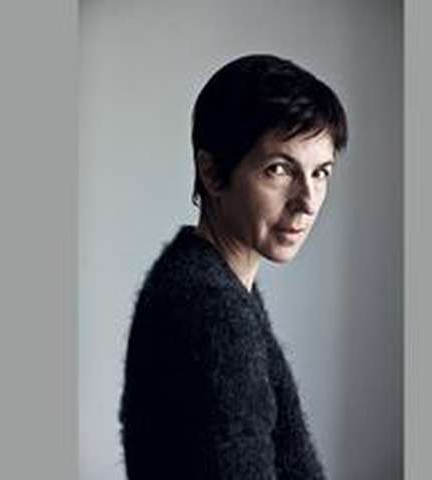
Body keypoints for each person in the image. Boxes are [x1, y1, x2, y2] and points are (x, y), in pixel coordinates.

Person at [119, 54, 348, 479]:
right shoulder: (212, 311)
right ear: (212, 172)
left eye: (320, 173)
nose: (307, 201)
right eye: (279, 170)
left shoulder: (209, 280)